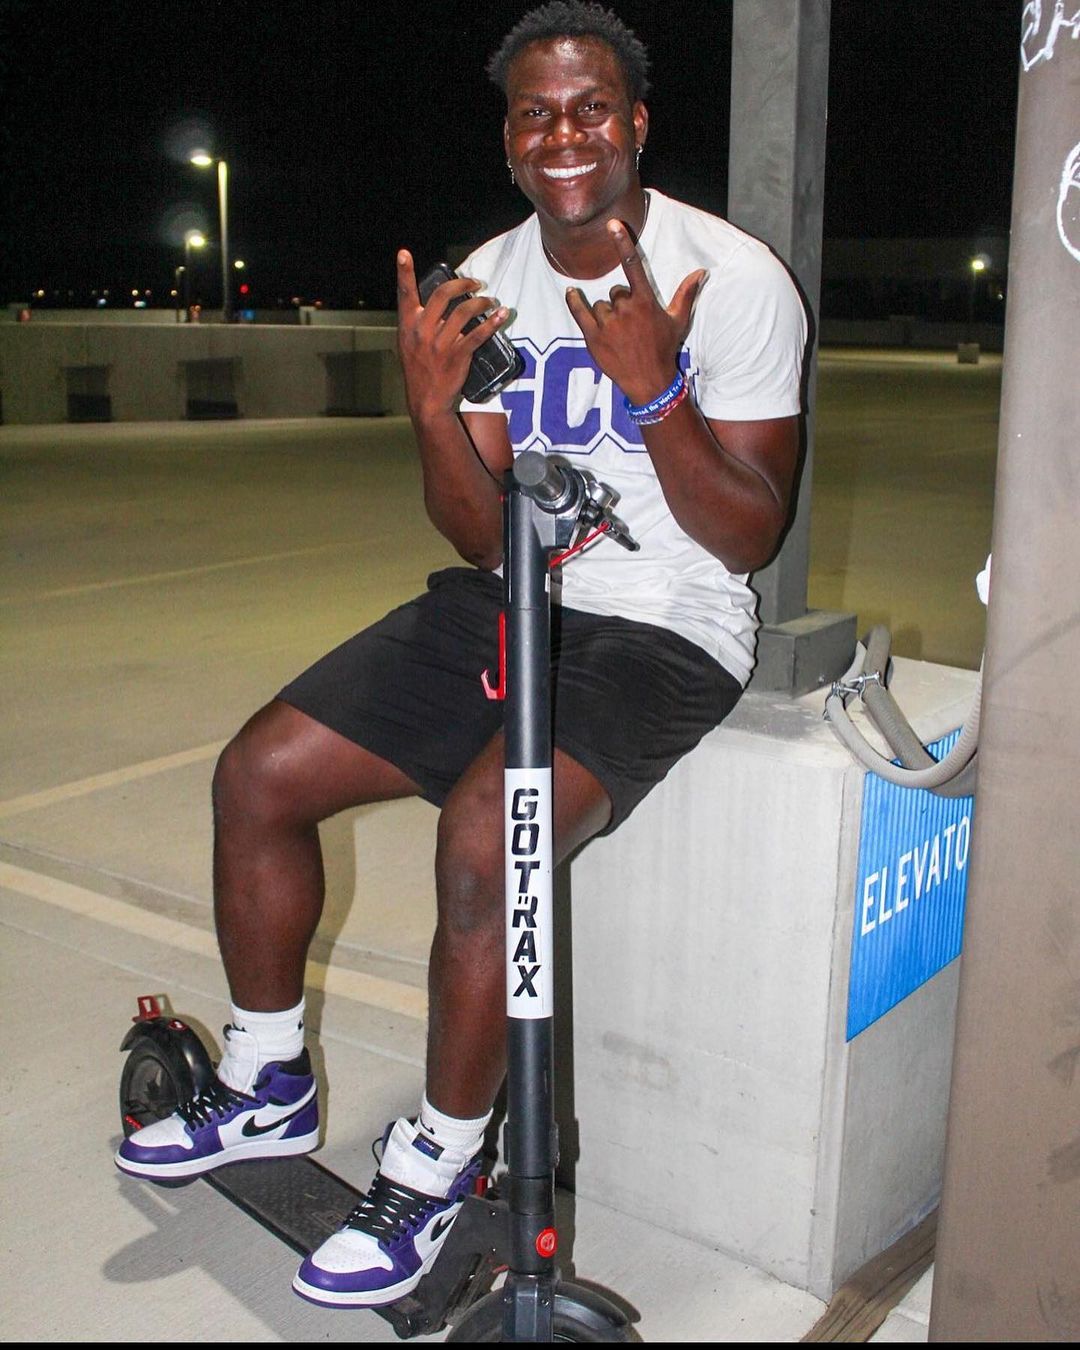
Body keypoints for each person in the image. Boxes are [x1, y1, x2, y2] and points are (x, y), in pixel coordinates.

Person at [115, 0, 806, 1310]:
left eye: (590, 108)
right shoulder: (488, 278)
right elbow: (479, 531)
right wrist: (434, 412)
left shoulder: (730, 278)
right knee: (259, 773)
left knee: (488, 837)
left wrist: (657, 388)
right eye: (537, 113)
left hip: (667, 624)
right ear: (508, 136)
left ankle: (437, 1160)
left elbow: (746, 535)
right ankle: (267, 1079)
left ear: (636, 123)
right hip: (511, 591)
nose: (565, 135)